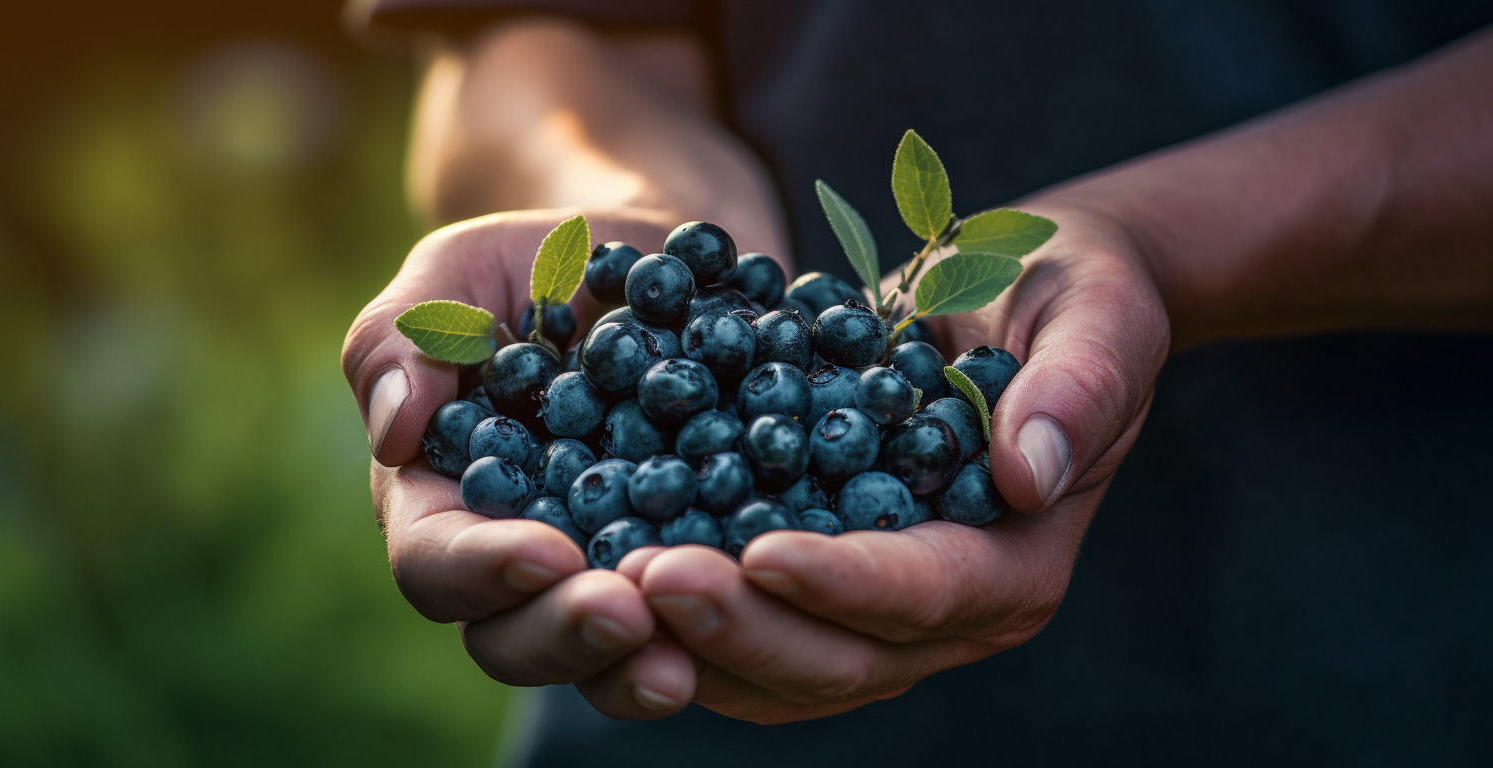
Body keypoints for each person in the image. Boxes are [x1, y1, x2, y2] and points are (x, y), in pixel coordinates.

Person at [341, 2, 1493, 762]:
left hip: (1369, 652)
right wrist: (626, 203)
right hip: (665, 679)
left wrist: (1165, 244)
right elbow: (515, 41)